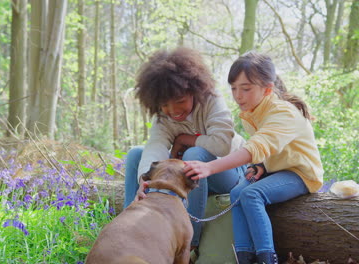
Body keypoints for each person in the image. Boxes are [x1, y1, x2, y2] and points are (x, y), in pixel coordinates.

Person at [184, 52, 324, 264]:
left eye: (246, 88)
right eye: (233, 88)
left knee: (251, 194)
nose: (238, 95)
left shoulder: (284, 112)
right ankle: (244, 256)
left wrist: (210, 167)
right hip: (277, 171)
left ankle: (267, 257)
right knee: (238, 192)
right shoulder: (253, 112)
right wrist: (261, 166)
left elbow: (256, 146)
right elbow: (267, 149)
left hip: (301, 174)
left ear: (267, 89)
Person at [124, 47, 247, 259]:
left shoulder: (211, 101)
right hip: (192, 180)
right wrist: (146, 181)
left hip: (227, 172)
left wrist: (185, 140)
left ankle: (190, 245)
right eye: (165, 105)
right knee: (136, 154)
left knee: (194, 155)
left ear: (194, 90)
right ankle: (129, 225)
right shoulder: (164, 118)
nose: (173, 110)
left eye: (180, 101)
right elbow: (155, 148)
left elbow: (222, 145)